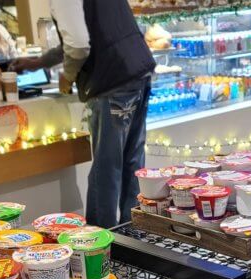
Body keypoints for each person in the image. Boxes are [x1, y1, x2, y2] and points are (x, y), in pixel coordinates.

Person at [11, 0, 155, 228]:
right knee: (132, 162)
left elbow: (78, 47)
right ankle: (134, 233)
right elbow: (88, 36)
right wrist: (38, 62)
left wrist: (68, 76)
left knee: (107, 168)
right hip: (137, 71)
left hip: (111, 81)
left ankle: (101, 239)